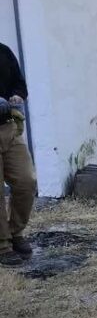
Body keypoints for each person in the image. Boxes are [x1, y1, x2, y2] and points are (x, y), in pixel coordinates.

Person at [0, 42, 35, 266]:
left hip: (9, 127)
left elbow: (19, 84)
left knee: (26, 181)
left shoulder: (3, 51)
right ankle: (2, 244)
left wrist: (17, 96)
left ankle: (14, 232)